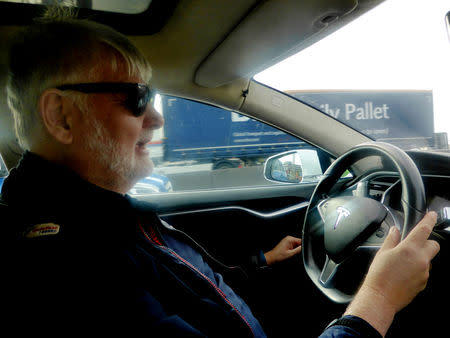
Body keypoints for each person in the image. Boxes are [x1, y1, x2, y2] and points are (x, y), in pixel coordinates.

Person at [2, 9, 439, 338]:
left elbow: (189, 285)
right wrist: (379, 298)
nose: (155, 119)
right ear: (61, 116)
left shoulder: (102, 218)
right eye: (135, 98)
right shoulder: (68, 270)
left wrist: (264, 262)